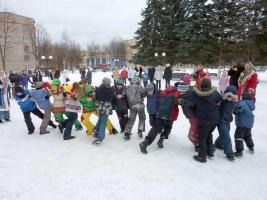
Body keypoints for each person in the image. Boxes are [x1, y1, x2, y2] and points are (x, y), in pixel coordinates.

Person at [139, 85, 181, 154]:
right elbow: (179, 101)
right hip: (171, 114)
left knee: (156, 127)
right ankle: (162, 139)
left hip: (160, 113)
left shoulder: (163, 92)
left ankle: (145, 143)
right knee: (168, 127)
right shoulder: (177, 93)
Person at [189, 78, 222, 163]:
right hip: (214, 118)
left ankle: (202, 157)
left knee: (202, 138)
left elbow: (189, 100)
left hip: (204, 119)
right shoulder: (215, 93)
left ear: (201, 85)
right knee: (208, 134)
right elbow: (220, 99)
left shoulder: (196, 94)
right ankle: (210, 152)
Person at [215, 86, 237, 161]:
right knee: (226, 136)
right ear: (225, 94)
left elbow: (235, 110)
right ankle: (229, 153)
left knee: (225, 133)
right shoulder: (221, 100)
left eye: (232, 96)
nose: (229, 98)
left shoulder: (234, 102)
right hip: (220, 120)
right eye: (228, 96)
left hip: (227, 120)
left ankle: (217, 144)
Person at [176, 83, 199, 151]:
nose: (179, 93)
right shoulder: (183, 94)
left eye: (181, 91)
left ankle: (198, 143)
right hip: (190, 116)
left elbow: (194, 104)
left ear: (185, 90)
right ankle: (197, 144)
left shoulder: (191, 95)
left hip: (195, 116)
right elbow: (176, 101)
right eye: (179, 91)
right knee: (196, 131)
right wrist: (178, 101)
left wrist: (183, 102)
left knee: (191, 135)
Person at [233, 92, 255, 157]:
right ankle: (251, 147)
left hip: (242, 123)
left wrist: (236, 107)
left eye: (242, 97)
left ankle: (239, 151)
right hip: (249, 123)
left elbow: (235, 109)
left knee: (238, 136)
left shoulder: (242, 103)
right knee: (247, 135)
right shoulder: (250, 103)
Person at [93, 77, 115, 144]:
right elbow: (113, 97)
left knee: (100, 119)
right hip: (107, 107)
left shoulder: (98, 89)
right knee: (103, 121)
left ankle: (96, 132)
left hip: (99, 107)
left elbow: (94, 96)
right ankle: (100, 137)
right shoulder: (112, 89)